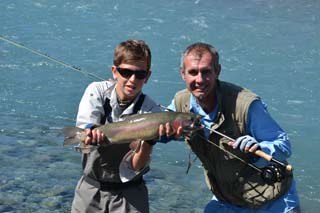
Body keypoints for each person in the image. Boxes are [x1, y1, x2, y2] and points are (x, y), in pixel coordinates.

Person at [166, 42, 300, 212]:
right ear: (183, 74)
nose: (199, 80)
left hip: (273, 202)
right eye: (193, 72)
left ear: (217, 71)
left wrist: (260, 149)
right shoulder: (180, 103)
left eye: (206, 72)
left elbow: (284, 145)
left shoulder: (246, 105)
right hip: (227, 200)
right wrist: (164, 135)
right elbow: (157, 126)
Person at [71, 40, 163, 213]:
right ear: (114, 71)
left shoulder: (152, 111)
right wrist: (91, 134)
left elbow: (135, 166)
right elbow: (84, 130)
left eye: (140, 74)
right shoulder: (97, 91)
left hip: (130, 194)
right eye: (126, 72)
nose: (132, 80)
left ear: (148, 76)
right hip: (90, 189)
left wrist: (150, 141)